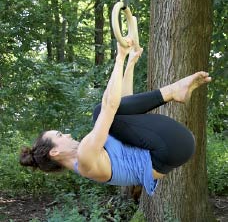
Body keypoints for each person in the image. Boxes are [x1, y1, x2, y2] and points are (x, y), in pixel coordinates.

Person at [20, 39, 211, 196]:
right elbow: (109, 106)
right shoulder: (85, 157)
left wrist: (130, 63)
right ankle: (172, 91)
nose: (67, 135)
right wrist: (119, 57)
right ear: (54, 152)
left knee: (109, 117)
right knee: (99, 113)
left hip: (173, 148)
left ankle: (174, 91)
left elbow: (122, 106)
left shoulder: (89, 154)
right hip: (168, 147)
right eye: (60, 135)